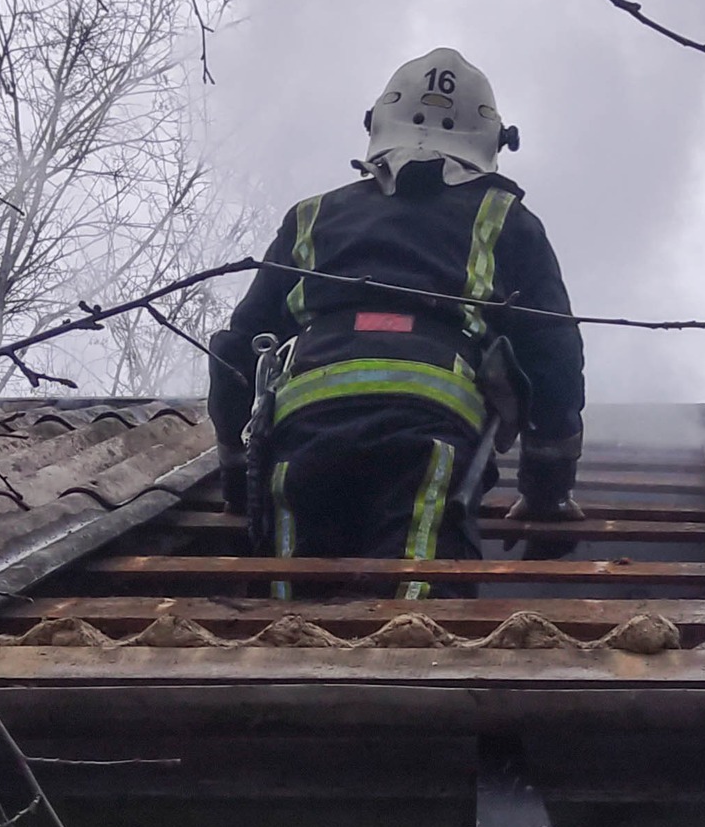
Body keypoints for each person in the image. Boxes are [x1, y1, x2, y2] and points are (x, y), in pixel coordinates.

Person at [208, 47, 584, 598]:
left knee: (292, 616)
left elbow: (237, 350)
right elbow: (552, 355)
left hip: (306, 427)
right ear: (495, 141)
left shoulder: (311, 216)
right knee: (412, 621)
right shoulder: (505, 220)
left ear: (376, 123)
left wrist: (243, 480)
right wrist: (548, 488)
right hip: (427, 428)